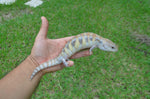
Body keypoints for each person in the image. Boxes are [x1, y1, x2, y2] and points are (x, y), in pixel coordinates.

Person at [0, 16, 92, 99]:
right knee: (63, 61)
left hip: (62, 57)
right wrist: (34, 63)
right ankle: (35, 71)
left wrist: (34, 63)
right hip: (61, 58)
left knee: (63, 60)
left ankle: (36, 71)